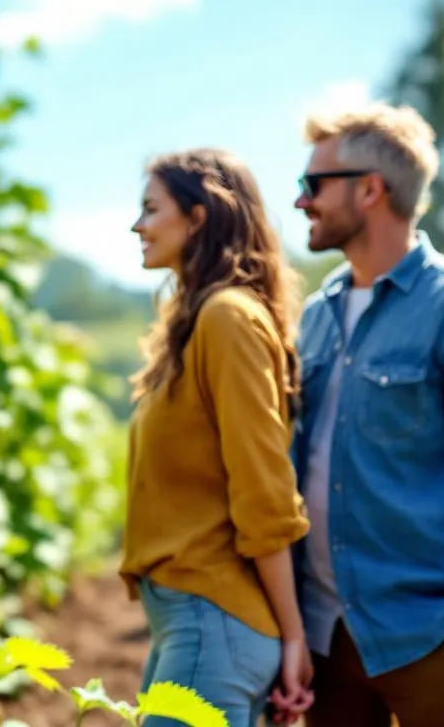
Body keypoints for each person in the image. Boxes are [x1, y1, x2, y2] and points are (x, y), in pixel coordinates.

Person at [284, 101, 444, 726]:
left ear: (370, 189)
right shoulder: (316, 318)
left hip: (432, 638)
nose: (301, 201)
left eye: (312, 185)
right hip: (327, 637)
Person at [119, 148, 316, 727]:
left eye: (151, 208)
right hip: (193, 622)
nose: (138, 225)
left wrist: (294, 638)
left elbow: (265, 490)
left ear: (199, 216)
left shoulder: (227, 319)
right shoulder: (199, 322)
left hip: (213, 624)